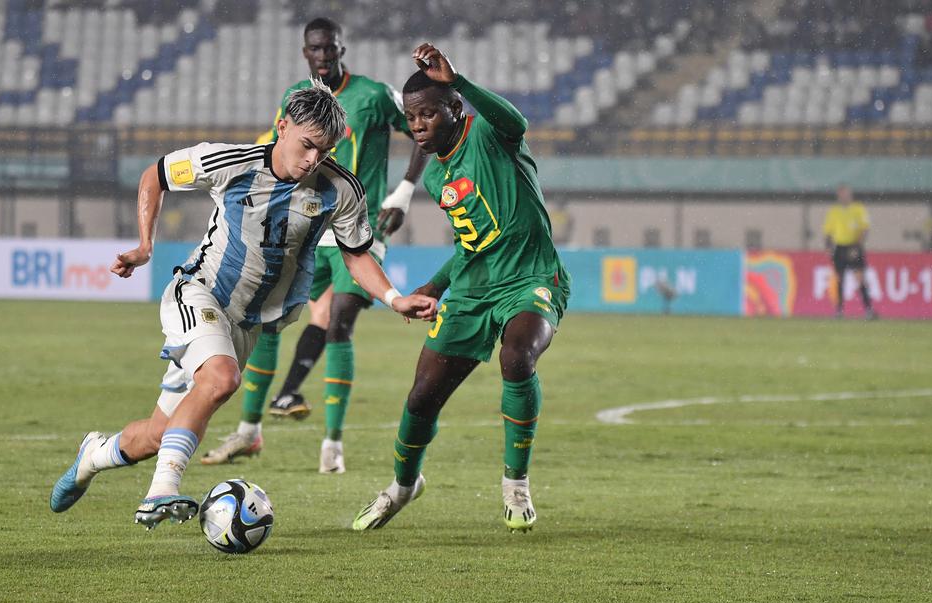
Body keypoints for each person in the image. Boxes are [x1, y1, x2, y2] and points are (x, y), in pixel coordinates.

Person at [48, 83, 437, 530]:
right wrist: (144, 245)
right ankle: (161, 492)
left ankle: (93, 455)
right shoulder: (230, 161)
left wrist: (393, 298)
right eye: (307, 145)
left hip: (247, 323)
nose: (313, 160)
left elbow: (356, 251)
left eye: (325, 151)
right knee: (222, 378)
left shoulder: (341, 189)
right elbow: (155, 174)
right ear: (283, 126)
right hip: (198, 293)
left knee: (159, 434)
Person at [352, 43, 570, 533]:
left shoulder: (492, 135)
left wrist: (460, 80)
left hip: (532, 277)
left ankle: (516, 484)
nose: (418, 125)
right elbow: (473, 243)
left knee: (516, 356)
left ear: (454, 109)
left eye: (429, 113)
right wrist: (433, 285)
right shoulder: (436, 176)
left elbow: (517, 121)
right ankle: (403, 486)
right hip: (474, 289)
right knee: (421, 397)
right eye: (411, 117)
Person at [201, 17, 428, 474]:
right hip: (302, 226)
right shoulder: (294, 100)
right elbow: (276, 151)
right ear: (306, 53)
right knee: (266, 322)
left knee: (340, 319)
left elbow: (425, 131)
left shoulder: (373, 96)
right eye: (315, 49)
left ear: (342, 49)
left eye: (331, 47)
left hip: (358, 226)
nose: (323, 55)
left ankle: (333, 444)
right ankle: (248, 432)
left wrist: (403, 192)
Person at [822, 184, 877, 320]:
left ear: (850, 194)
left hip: (854, 246)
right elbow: (828, 232)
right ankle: (839, 311)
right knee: (840, 279)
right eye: (841, 194)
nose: (844, 196)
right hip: (839, 247)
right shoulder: (834, 211)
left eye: (846, 193)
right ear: (839, 195)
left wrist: (857, 247)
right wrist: (828, 247)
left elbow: (864, 229)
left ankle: (868, 310)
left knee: (859, 278)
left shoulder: (858, 209)